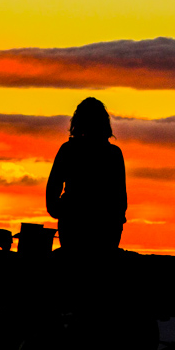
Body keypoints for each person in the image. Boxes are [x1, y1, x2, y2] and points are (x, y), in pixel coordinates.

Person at [46, 97, 127, 254]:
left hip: (76, 224)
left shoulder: (68, 150)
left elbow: (53, 188)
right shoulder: (113, 154)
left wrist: (59, 211)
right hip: (102, 227)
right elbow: (120, 197)